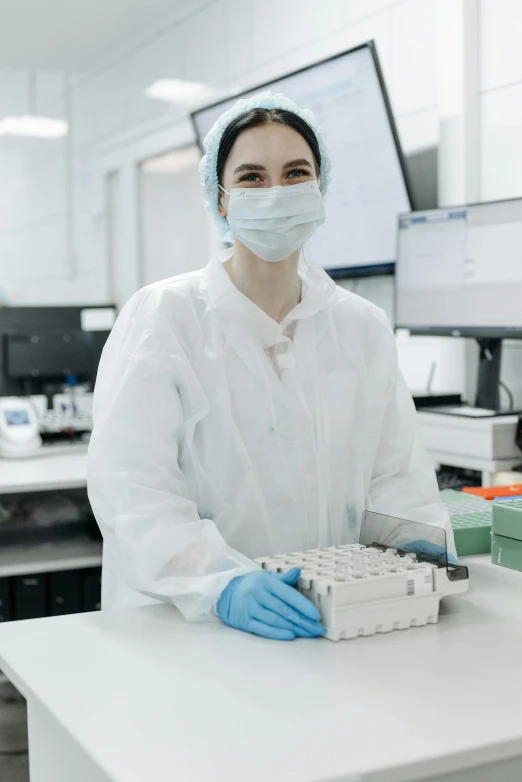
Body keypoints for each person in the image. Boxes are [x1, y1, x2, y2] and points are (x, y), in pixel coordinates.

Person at [87, 91, 456, 641]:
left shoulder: (361, 327)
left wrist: (414, 540)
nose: (276, 192)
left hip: (334, 622)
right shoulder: (164, 318)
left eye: (295, 173)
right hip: (190, 628)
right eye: (253, 177)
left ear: (321, 187)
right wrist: (221, 584)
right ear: (220, 199)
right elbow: (133, 493)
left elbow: (395, 474)